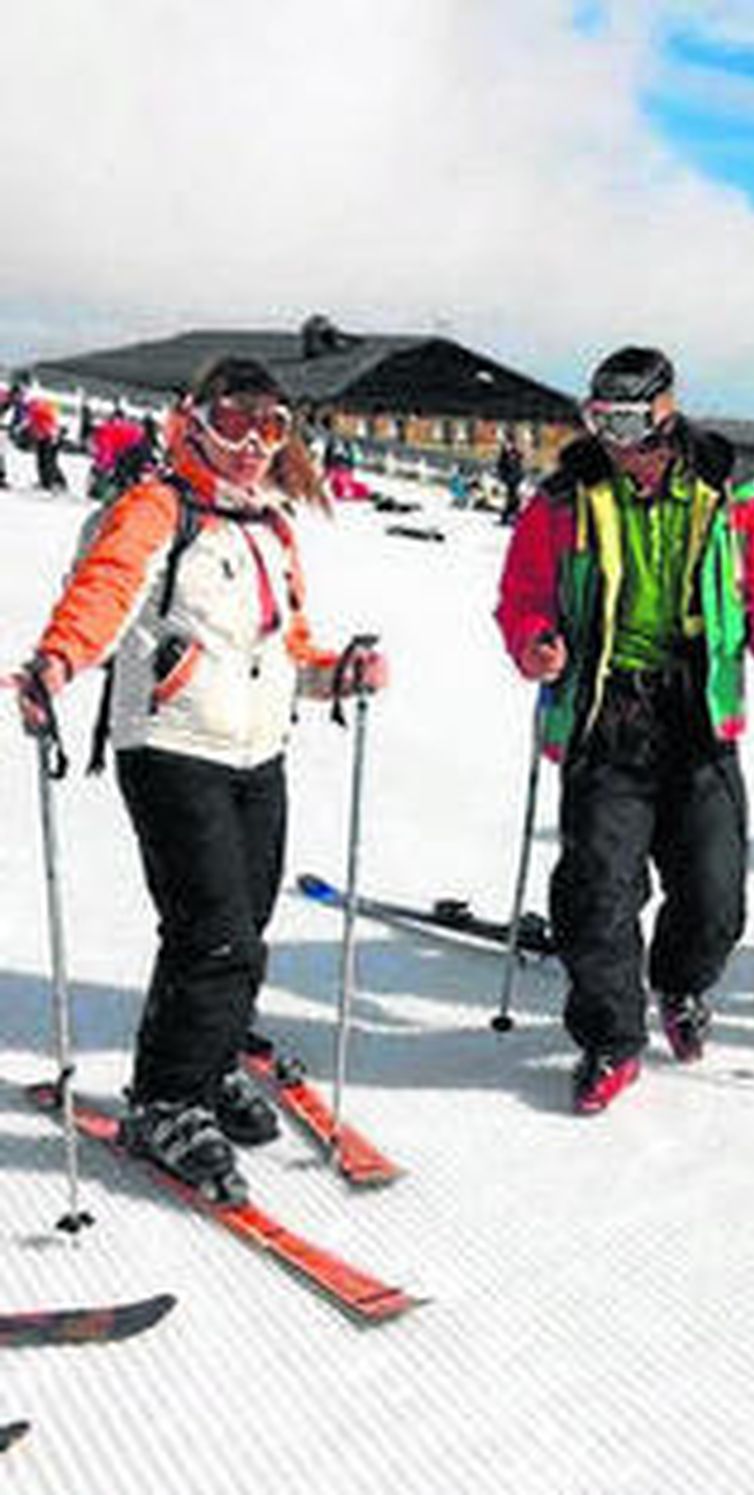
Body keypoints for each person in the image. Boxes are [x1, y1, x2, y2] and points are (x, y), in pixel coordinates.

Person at [8, 356, 387, 1197]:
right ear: (194, 420)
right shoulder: (157, 508)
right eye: (233, 422)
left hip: (259, 752)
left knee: (242, 929)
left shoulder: (269, 525)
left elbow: (284, 647)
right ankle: (167, 1100)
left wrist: (337, 672)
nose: (252, 443)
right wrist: (58, 662)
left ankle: (209, 1065)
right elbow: (102, 591)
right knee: (213, 931)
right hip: (172, 749)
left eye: (271, 427)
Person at [495, 346, 754, 1114]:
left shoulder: (729, 498)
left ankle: (680, 983)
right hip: (606, 709)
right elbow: (521, 593)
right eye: (598, 419)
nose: (611, 438)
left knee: (716, 897)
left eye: (626, 421)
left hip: (698, 712)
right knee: (598, 891)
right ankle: (610, 1036)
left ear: (664, 414)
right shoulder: (562, 501)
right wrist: (535, 639)